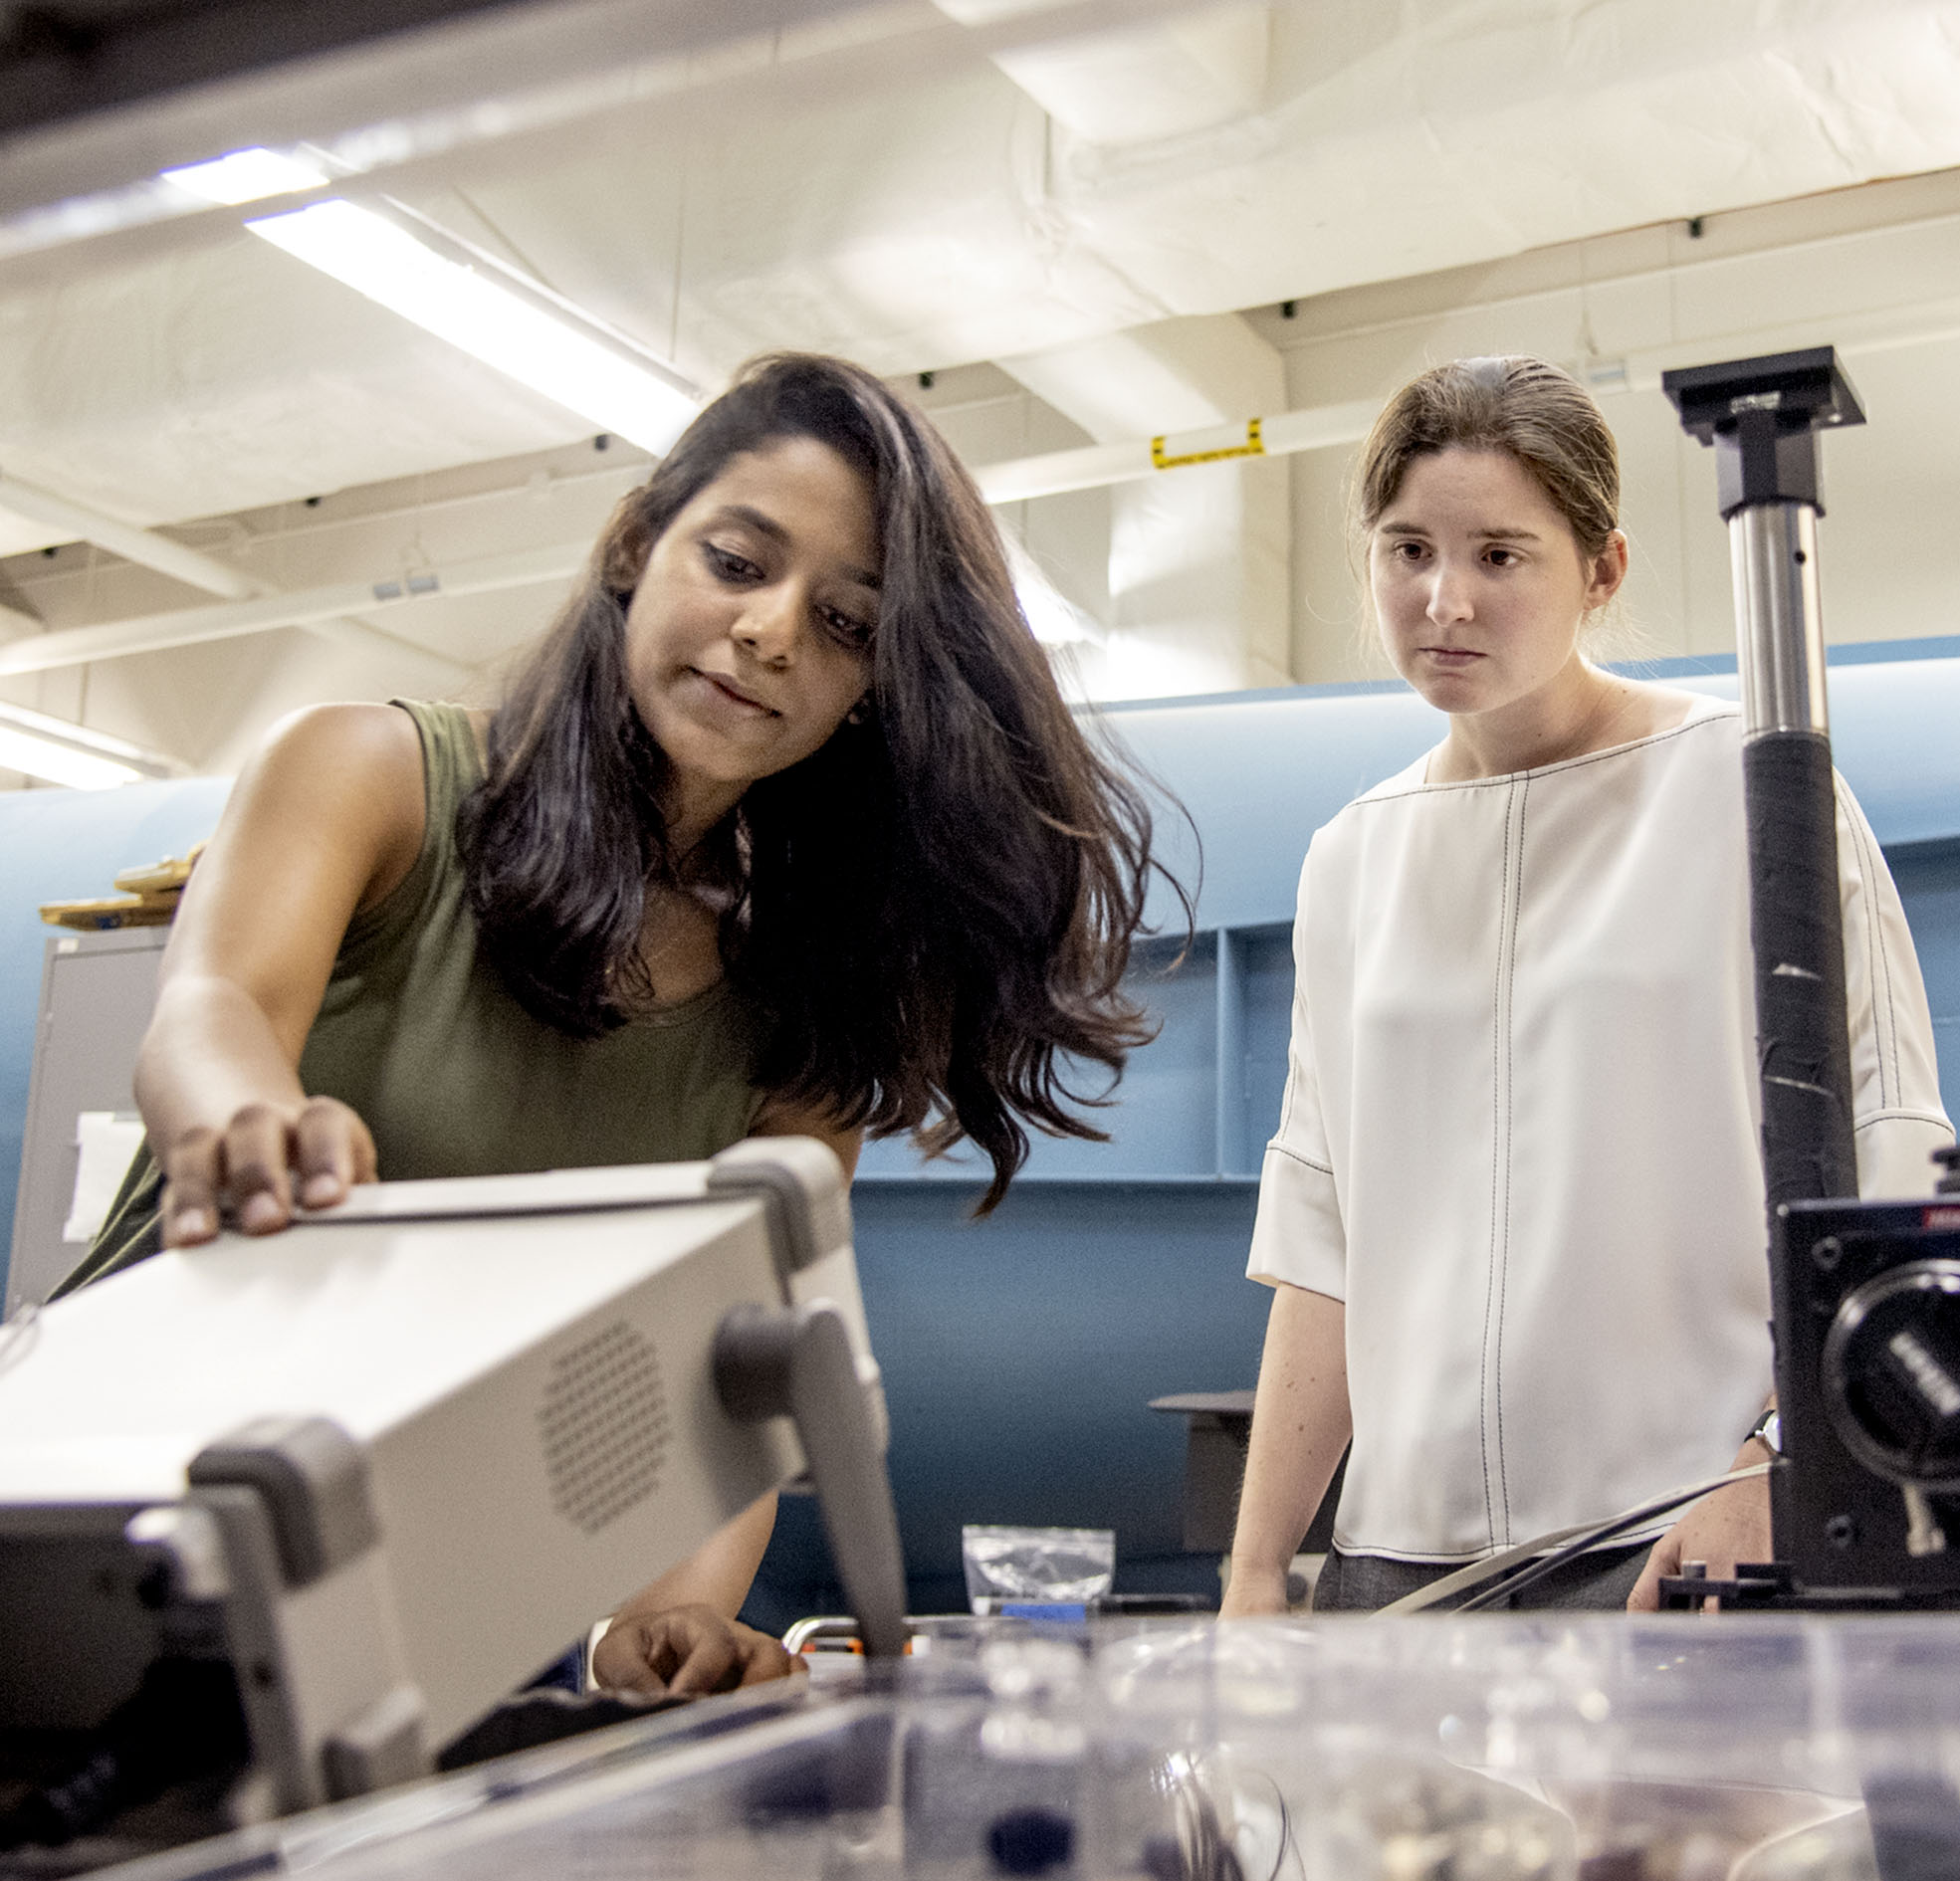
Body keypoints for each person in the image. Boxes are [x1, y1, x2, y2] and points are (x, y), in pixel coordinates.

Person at [69, 352, 1170, 1691]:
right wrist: (246, 1117)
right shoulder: (373, 772)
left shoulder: (811, 1005)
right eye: (740, 562)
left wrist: (672, 1622)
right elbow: (213, 1004)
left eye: (846, 623)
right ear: (635, 542)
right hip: (113, 1528)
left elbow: (731, 1363)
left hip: (392, 1622)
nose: (773, 633)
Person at [1217, 356, 1950, 1617]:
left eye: (1500, 555)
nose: (1443, 599)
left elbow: (1894, 1159)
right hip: (1403, 1570)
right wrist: (1252, 1572)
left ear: (1599, 571)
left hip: (1683, 1538)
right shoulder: (1353, 856)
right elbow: (1324, 1245)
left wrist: (1780, 1454)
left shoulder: (1752, 785)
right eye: (1407, 551)